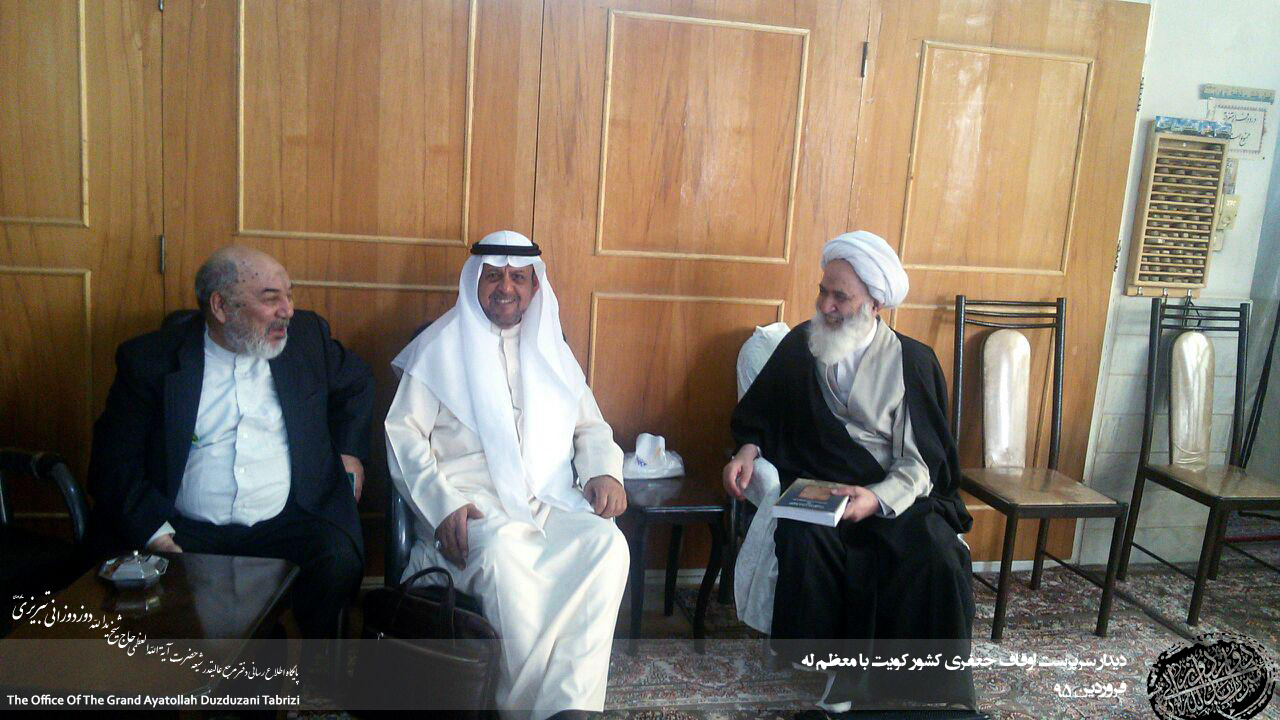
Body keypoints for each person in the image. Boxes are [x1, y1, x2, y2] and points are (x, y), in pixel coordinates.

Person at [723, 231, 977, 715]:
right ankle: (832, 669)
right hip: (821, 488)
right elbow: (763, 414)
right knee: (803, 538)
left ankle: (927, 686)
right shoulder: (801, 345)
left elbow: (921, 461)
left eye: (841, 296)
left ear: (875, 304)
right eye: (823, 291)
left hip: (895, 494)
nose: (826, 305)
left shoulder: (913, 361)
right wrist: (747, 452)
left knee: (937, 554)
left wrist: (875, 499)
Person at [384, 230, 629, 720]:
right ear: (475, 281)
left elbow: (590, 425)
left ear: (535, 287)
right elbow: (401, 435)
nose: (506, 288)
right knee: (505, 556)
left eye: (518, 277)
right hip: (473, 507)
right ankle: (519, 710)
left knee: (606, 545)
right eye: (494, 276)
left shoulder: (550, 346)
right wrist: (442, 504)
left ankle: (572, 704)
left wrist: (604, 471)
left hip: (547, 499)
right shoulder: (439, 347)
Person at [88, 246, 372, 639]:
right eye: (270, 298)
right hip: (186, 531)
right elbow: (113, 462)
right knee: (182, 627)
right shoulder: (151, 361)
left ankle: (316, 671)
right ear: (220, 307)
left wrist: (350, 452)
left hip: (290, 519)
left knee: (337, 559)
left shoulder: (308, 339)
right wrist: (157, 534)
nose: (288, 310)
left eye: (290, 295)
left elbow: (357, 383)